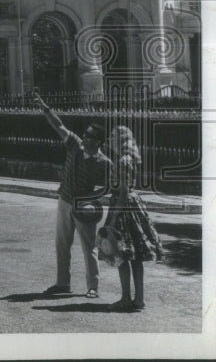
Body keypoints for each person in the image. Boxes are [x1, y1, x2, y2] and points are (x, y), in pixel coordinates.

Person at [34, 91, 112, 298]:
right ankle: (62, 283)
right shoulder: (75, 145)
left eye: (89, 136)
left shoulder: (104, 163)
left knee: (89, 248)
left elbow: (109, 187)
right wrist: (45, 109)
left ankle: (93, 287)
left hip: (83, 208)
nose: (84, 137)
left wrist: (91, 198)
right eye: (85, 134)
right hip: (65, 200)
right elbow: (59, 126)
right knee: (62, 244)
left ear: (98, 142)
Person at [103, 125, 164, 311]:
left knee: (122, 254)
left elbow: (122, 193)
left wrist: (113, 219)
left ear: (121, 139)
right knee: (135, 256)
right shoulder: (129, 159)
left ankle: (126, 299)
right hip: (134, 206)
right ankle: (139, 299)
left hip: (123, 208)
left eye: (113, 135)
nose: (109, 139)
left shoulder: (122, 161)